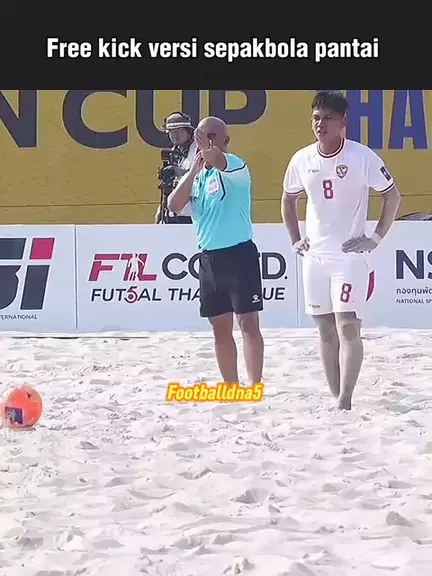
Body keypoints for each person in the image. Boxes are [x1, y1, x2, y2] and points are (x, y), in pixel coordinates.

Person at [281, 90, 401, 410]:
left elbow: (392, 195)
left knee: (347, 324)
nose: (320, 124)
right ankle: (337, 396)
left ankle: (345, 399)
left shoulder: (361, 157)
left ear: (343, 122)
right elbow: (288, 199)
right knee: (324, 327)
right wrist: (295, 238)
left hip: (348, 257)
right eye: (316, 118)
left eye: (328, 118)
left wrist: (375, 237)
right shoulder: (302, 159)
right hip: (314, 258)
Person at [168, 116, 264, 385]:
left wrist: (207, 151)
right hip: (209, 259)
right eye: (200, 137)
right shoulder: (198, 177)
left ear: (225, 140)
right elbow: (174, 205)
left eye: (211, 137)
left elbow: (217, 159)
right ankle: (231, 386)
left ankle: (254, 384)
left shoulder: (235, 166)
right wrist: (192, 171)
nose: (204, 143)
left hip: (239, 254)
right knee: (220, 329)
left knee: (247, 323)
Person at [155, 111, 197, 224]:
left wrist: (178, 172)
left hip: (193, 215)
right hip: (175, 213)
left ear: (189, 131)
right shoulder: (174, 152)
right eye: (171, 131)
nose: (175, 135)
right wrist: (161, 211)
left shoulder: (199, 150)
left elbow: (203, 176)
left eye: (179, 130)